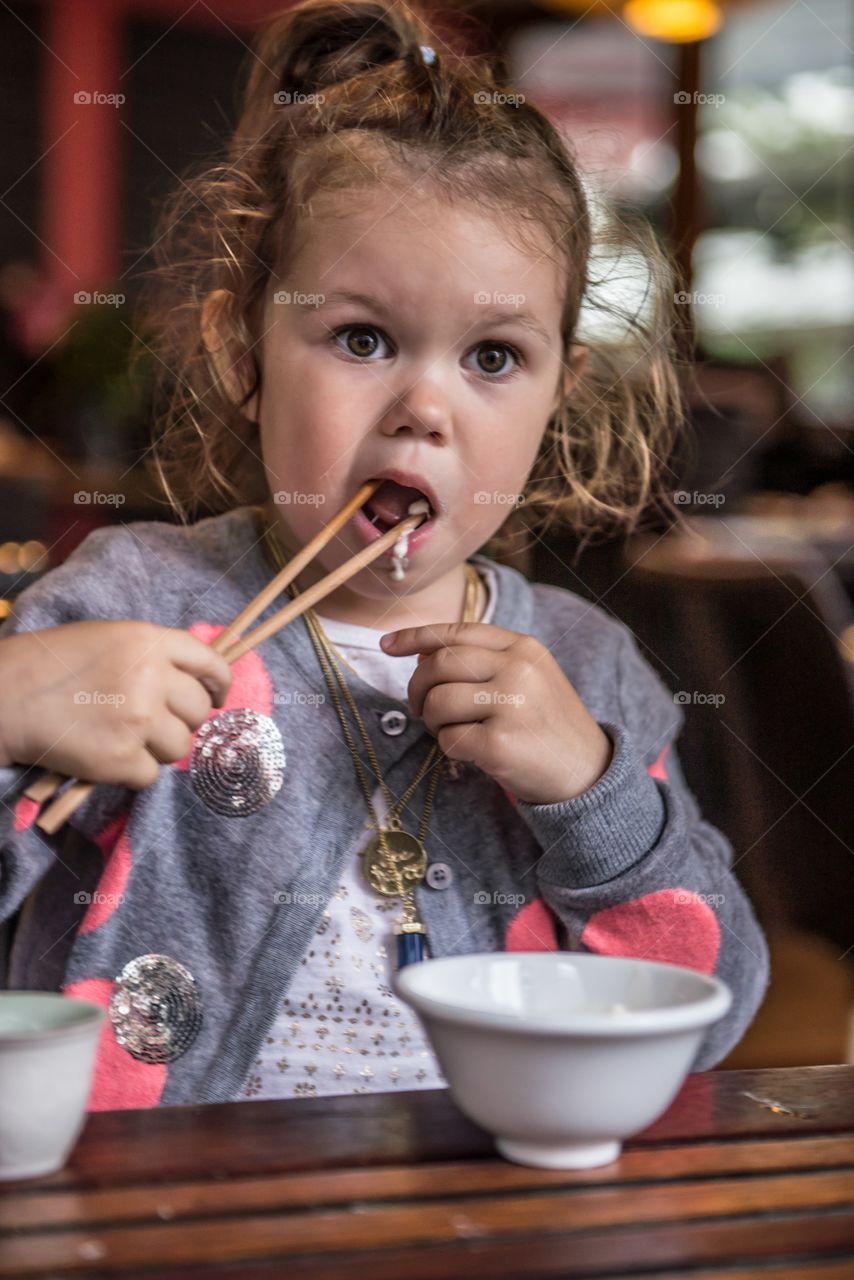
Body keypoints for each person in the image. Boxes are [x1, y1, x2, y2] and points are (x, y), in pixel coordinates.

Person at [0, 0, 768, 1109]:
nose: (423, 407)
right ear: (238, 342)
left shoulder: (585, 666)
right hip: (159, 1211)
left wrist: (588, 791)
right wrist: (13, 702)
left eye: (493, 355)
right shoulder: (129, 602)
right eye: (361, 337)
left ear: (560, 394)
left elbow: (714, 1008)